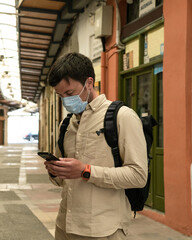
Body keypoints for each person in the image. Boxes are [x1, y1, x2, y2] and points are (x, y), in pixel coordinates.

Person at [44, 52, 147, 240]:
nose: (66, 101)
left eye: (69, 93)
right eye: (60, 96)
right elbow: (62, 181)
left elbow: (138, 176)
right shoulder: (66, 125)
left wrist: (85, 171)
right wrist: (55, 171)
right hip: (64, 227)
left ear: (89, 83)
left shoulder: (123, 117)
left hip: (104, 230)